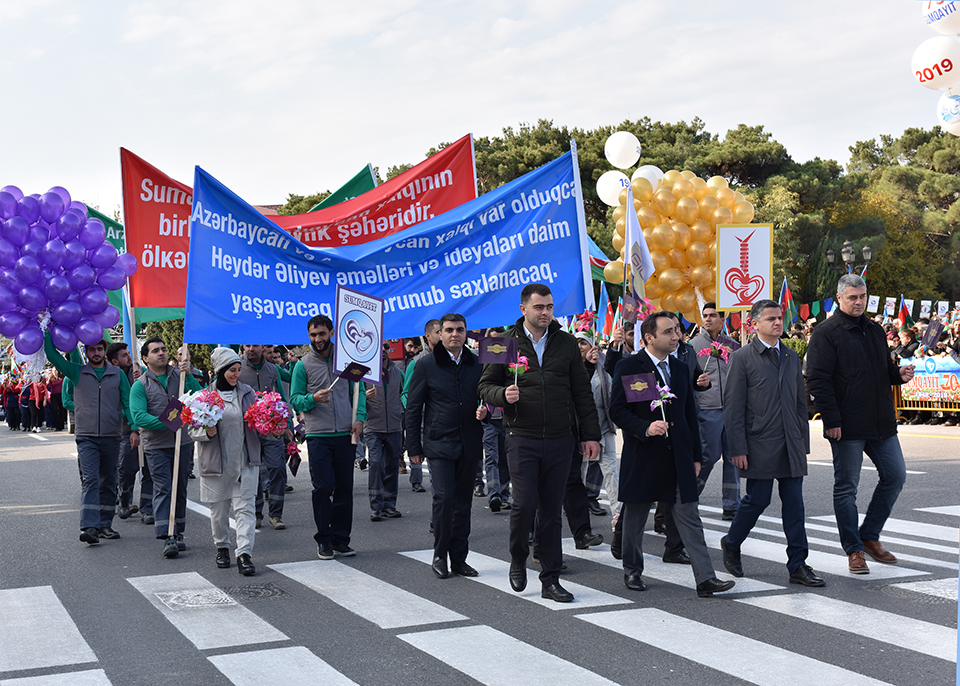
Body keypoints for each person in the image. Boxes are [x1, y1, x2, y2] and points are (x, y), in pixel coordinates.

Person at [478, 283, 601, 603]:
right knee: (524, 504)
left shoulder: (566, 343)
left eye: (549, 307)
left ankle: (550, 578)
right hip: (522, 436)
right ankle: (518, 558)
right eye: (539, 307)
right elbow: (484, 386)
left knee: (551, 510)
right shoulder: (502, 342)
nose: (545, 313)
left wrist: (590, 435)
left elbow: (582, 393)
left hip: (560, 439)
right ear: (523, 309)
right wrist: (502, 395)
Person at [608, 311, 734, 597]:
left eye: (676, 330)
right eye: (668, 332)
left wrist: (696, 455)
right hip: (644, 454)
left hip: (678, 455)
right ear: (649, 338)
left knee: (690, 516)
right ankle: (632, 570)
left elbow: (689, 413)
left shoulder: (679, 367)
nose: (676, 336)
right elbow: (617, 410)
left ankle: (706, 578)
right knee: (636, 516)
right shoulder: (630, 366)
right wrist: (645, 427)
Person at [806, 274, 913, 574]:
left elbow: (882, 368)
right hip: (846, 423)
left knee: (895, 476)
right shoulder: (826, 332)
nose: (858, 302)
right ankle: (854, 550)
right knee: (846, 489)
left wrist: (897, 375)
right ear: (839, 298)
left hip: (880, 421)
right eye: (852, 297)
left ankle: (869, 535)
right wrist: (831, 419)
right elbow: (818, 379)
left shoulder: (875, 329)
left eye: (862, 296)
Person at [720, 300, 824, 587]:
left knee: (794, 505)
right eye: (771, 319)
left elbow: (799, 402)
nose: (778, 323)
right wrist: (737, 448)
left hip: (790, 443)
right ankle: (732, 542)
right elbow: (733, 407)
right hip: (759, 442)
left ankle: (798, 564)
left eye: (780, 318)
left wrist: (802, 440)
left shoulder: (790, 356)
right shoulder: (742, 358)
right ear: (754, 324)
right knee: (757, 500)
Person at [406, 314, 486, 579]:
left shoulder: (477, 363)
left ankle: (459, 558)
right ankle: (440, 555)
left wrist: (486, 410)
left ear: (466, 333)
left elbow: (485, 397)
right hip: (439, 442)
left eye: (460, 330)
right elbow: (414, 408)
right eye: (449, 330)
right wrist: (413, 447)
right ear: (439, 334)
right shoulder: (426, 365)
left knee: (463, 504)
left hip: (469, 442)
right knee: (443, 499)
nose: (455, 334)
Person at [45, 334, 134, 545]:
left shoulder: (117, 374)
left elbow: (128, 402)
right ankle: (89, 527)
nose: (96, 353)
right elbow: (52, 355)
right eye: (91, 349)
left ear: (105, 352)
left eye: (99, 349)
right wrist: (46, 329)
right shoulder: (77, 372)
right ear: (85, 352)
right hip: (86, 437)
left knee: (109, 481)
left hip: (112, 436)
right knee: (91, 480)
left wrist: (134, 429)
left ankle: (105, 525)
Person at [290, 315, 366, 560]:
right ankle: (324, 539)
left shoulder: (347, 361)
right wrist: (312, 399)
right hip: (318, 436)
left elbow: (358, 391)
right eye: (313, 335)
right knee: (322, 488)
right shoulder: (302, 365)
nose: (317, 339)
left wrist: (359, 418)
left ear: (332, 333)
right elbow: (295, 399)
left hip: (345, 434)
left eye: (322, 334)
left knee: (344, 489)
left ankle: (341, 540)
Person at [189, 348, 262, 576]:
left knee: (245, 510)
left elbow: (258, 421)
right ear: (221, 371)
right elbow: (192, 429)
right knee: (219, 511)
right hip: (217, 463)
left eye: (239, 369)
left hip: (244, 461)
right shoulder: (204, 397)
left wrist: (271, 424)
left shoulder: (248, 393)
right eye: (232, 370)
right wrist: (206, 432)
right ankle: (222, 547)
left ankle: (244, 554)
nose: (236, 374)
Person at [131, 337, 201, 558]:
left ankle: (178, 531)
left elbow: (198, 397)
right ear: (145, 358)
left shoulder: (180, 376)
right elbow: (139, 416)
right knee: (164, 488)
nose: (161, 353)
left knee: (180, 488)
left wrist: (189, 375)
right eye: (155, 351)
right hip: (156, 446)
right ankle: (167, 534)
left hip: (183, 442)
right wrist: (169, 422)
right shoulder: (140, 384)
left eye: (163, 349)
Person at [690, 302, 741, 519]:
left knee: (734, 457)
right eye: (705, 315)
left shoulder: (734, 346)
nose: (708, 319)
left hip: (732, 409)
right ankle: (690, 497)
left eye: (712, 315)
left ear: (722, 319)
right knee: (708, 457)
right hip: (707, 408)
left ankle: (732, 505)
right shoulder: (692, 346)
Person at [239, 344, 291, 530]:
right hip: (248, 430)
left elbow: (281, 396)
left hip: (272, 430)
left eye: (255, 345)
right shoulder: (237, 367)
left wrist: (286, 424)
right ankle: (256, 513)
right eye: (247, 345)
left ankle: (276, 514)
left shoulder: (273, 369)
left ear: (263, 347)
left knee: (277, 468)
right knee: (253, 473)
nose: (251, 349)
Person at [106, 342, 147, 521]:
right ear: (115, 361)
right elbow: (113, 404)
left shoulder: (140, 371)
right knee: (126, 468)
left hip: (145, 427)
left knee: (148, 469)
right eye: (124, 355)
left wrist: (142, 379)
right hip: (123, 429)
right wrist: (128, 415)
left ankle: (148, 507)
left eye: (129, 353)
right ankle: (125, 500)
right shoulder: (110, 376)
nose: (129, 357)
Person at [365, 342, 404, 522]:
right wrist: (364, 396)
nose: (382, 350)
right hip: (373, 426)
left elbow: (405, 393)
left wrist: (402, 409)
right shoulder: (364, 372)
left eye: (386, 347)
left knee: (392, 465)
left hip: (394, 426)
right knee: (375, 463)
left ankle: (390, 504)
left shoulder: (397, 372)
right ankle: (376, 506)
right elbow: (352, 395)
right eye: (379, 347)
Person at [401, 319, 441, 493]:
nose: (442, 335)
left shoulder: (451, 359)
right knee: (418, 451)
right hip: (421, 418)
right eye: (438, 332)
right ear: (428, 336)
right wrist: (413, 410)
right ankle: (416, 480)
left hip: (441, 421)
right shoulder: (417, 362)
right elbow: (406, 393)